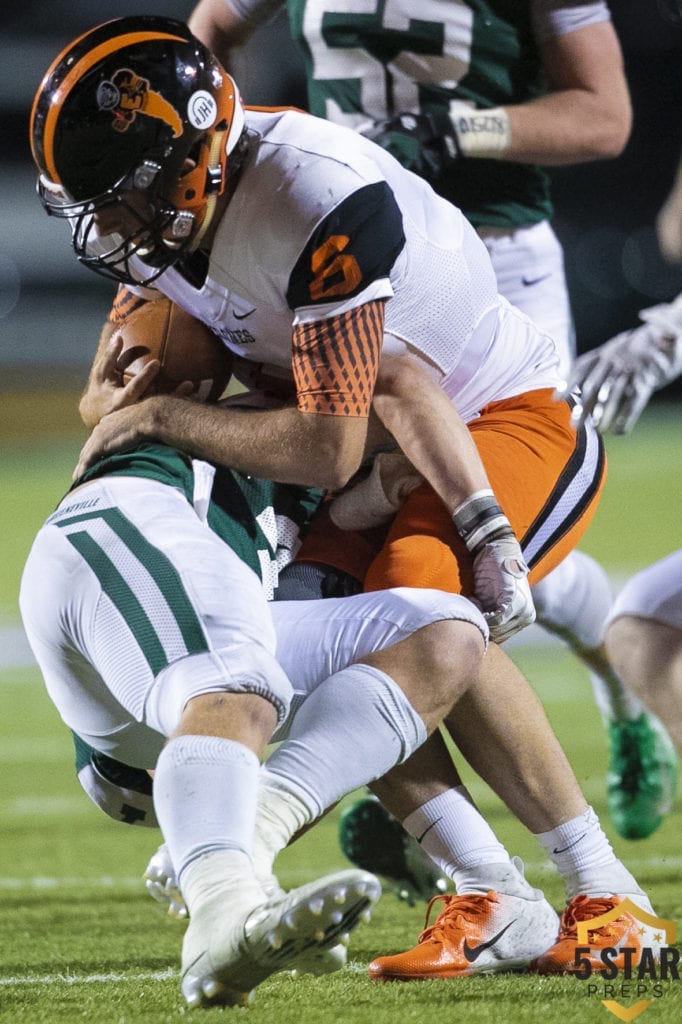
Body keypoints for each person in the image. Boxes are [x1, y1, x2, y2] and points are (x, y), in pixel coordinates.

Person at [29, 15, 658, 980]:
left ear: (190, 161)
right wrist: (139, 405)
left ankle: (607, 893)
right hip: (370, 430)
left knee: (420, 594)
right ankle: (490, 891)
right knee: (314, 633)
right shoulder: (176, 211)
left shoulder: (319, 198)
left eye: (124, 201)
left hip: (493, 416)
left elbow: (330, 442)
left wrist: (163, 423)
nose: (111, 229)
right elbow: (122, 395)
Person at [182, 0, 674, 843]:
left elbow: (604, 115)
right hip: (338, 275)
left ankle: (609, 695)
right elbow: (199, 52)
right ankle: (435, 823)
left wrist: (462, 131)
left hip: (492, 272)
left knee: (477, 560)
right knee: (372, 565)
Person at [19, 431, 491, 1006]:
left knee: (442, 631)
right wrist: (155, 404)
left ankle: (242, 863)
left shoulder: (356, 456)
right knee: (239, 678)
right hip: (125, 520)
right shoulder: (266, 399)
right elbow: (130, 374)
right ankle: (220, 915)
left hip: (190, 706)